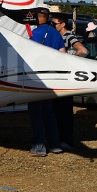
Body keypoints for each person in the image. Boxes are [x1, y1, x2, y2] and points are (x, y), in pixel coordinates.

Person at [27, 8, 65, 157]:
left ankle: (39, 145)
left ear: (37, 17)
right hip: (53, 78)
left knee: (36, 113)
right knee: (49, 113)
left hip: (38, 78)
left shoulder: (34, 33)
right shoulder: (56, 34)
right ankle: (55, 144)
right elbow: (63, 54)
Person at [52, 15, 88, 149]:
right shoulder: (62, 36)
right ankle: (62, 138)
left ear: (62, 24)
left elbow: (83, 50)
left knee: (64, 111)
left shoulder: (68, 36)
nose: (53, 26)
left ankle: (66, 140)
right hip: (63, 78)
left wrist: (68, 60)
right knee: (61, 111)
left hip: (65, 79)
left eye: (55, 23)